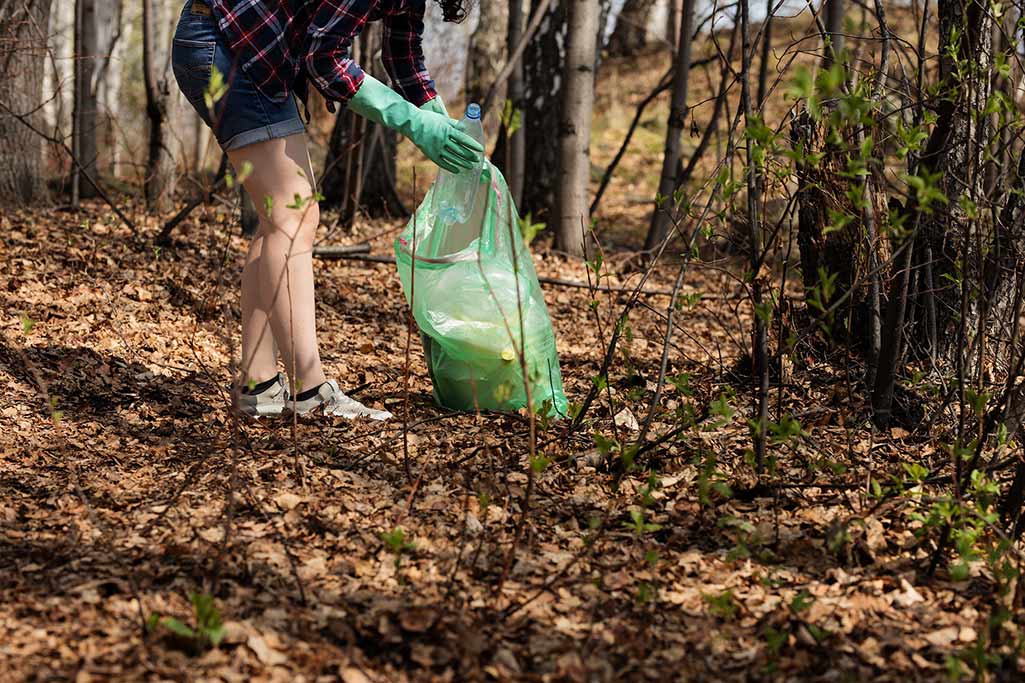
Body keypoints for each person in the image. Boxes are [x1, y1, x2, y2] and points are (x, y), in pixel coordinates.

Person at [171, 0, 483, 419]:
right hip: (226, 44)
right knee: (292, 215)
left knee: (280, 220)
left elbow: (403, 53)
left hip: (246, 49)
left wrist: (434, 117)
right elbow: (324, 59)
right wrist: (409, 121)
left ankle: (258, 384)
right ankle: (310, 391)